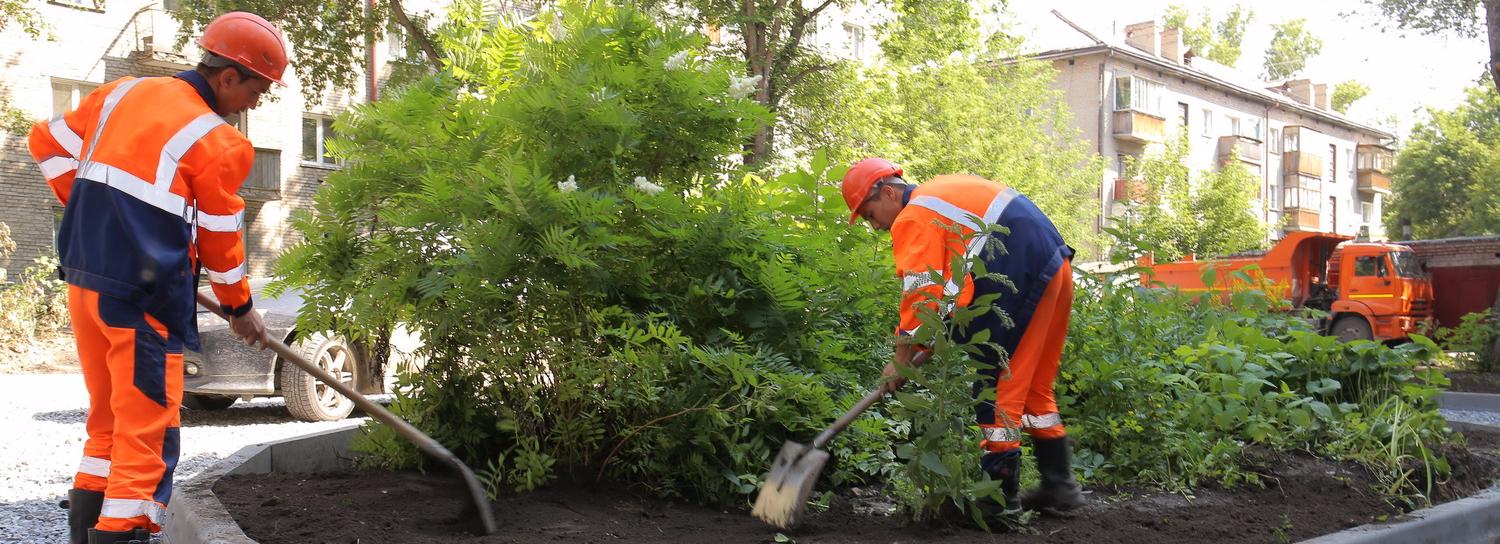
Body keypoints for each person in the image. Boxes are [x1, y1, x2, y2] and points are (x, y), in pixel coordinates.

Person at [27, 12, 287, 543]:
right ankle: (122, 531)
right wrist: (240, 308)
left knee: (108, 422)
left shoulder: (122, 93)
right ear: (228, 76)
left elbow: (45, 142)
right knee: (147, 435)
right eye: (256, 91)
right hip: (142, 300)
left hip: (86, 279)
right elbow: (220, 239)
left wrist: (92, 213)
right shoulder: (218, 141)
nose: (254, 104)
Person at [841, 157, 1084, 514]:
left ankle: (997, 503)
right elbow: (952, 288)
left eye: (869, 214)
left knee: (996, 386)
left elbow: (920, 294)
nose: (874, 225)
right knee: (1033, 389)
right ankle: (1060, 488)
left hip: (1017, 273)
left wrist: (901, 360)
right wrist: (934, 333)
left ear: (889, 193)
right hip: (1052, 264)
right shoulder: (938, 196)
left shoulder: (913, 216)